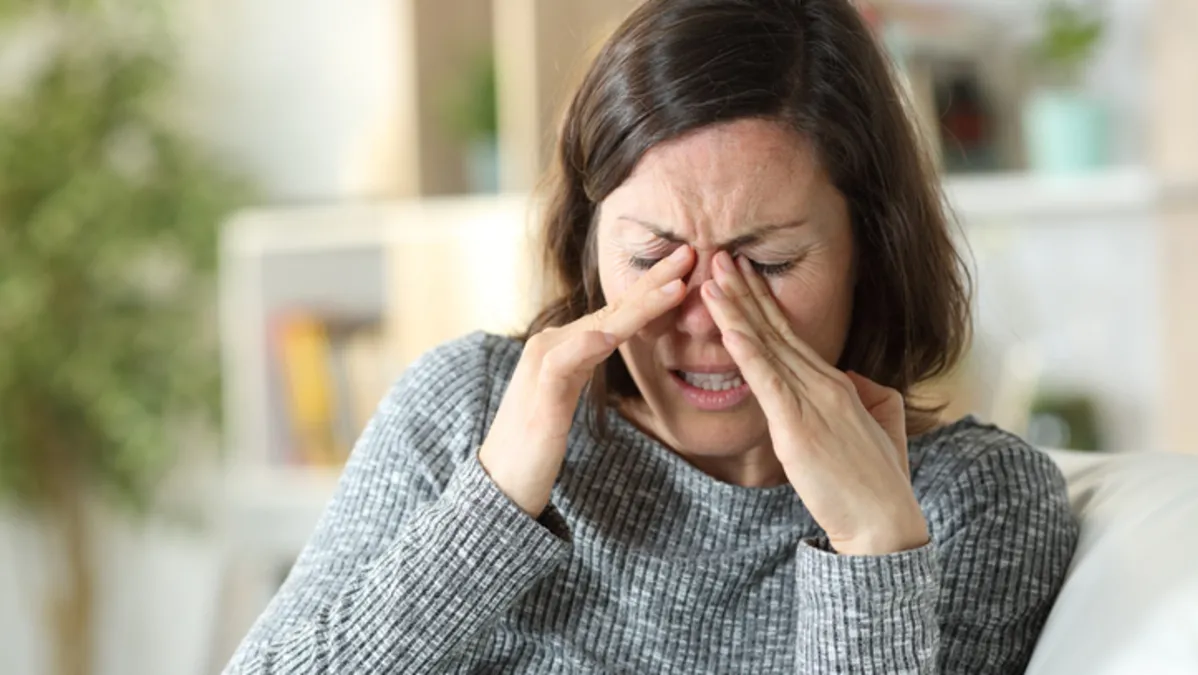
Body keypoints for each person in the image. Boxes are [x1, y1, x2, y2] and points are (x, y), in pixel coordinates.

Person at [223, 0, 1078, 672]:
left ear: (872, 249)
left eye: (768, 262)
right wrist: (489, 506)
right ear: (591, 245)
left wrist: (871, 549)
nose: (706, 317)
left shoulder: (975, 502)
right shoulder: (471, 407)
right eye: (653, 255)